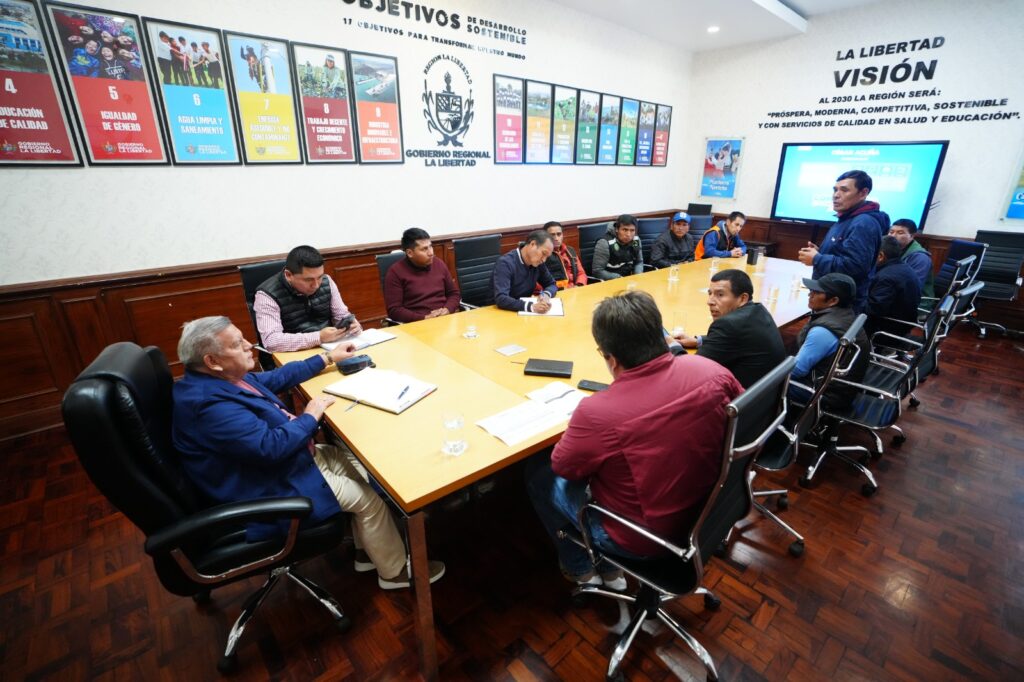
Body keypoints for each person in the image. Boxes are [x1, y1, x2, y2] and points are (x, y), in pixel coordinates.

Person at [171, 316, 444, 590]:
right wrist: (310, 415)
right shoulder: (208, 405)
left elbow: (276, 377)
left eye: (243, 338)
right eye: (237, 344)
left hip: (292, 459)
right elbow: (270, 448)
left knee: (361, 469)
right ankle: (394, 573)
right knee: (367, 501)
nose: (249, 345)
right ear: (212, 361)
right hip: (268, 484)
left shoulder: (219, 380)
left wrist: (328, 359)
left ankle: (368, 554)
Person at [525, 291, 744, 587]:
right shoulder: (711, 370)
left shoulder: (597, 412)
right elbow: (741, 420)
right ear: (660, 334)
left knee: (539, 474)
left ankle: (582, 569)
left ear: (611, 358)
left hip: (643, 541)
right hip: (710, 512)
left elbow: (564, 468)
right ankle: (599, 566)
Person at [671, 269, 787, 388]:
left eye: (720, 295)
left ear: (743, 299)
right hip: (764, 397)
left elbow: (691, 372)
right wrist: (699, 341)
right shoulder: (758, 310)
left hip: (740, 402)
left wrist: (672, 346)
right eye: (710, 293)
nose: (709, 302)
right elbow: (736, 340)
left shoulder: (727, 325)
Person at [798, 170, 890, 312]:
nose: (836, 195)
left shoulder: (863, 223)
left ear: (863, 193)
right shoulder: (847, 218)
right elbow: (843, 253)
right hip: (829, 298)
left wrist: (817, 259)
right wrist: (820, 252)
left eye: (844, 190)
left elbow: (855, 267)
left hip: (841, 304)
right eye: (835, 190)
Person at [254, 245, 363, 352]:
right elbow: (271, 341)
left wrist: (352, 325)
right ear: (288, 275)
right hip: (293, 355)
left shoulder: (327, 281)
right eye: (308, 280)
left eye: (320, 277)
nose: (316, 285)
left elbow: (341, 315)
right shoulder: (266, 295)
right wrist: (318, 337)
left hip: (329, 347)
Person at [790, 273, 870, 410]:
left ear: (833, 301)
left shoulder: (823, 331)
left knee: (759, 379)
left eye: (816, 292)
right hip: (842, 390)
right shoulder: (847, 315)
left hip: (824, 395)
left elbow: (797, 370)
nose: (810, 295)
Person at [384, 228, 461, 322]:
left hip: (444, 319)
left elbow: (454, 294)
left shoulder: (439, 264)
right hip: (417, 324)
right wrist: (424, 318)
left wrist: (447, 309)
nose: (431, 253)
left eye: (430, 246)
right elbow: (394, 310)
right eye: (424, 249)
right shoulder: (395, 272)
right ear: (410, 253)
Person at [865, 236, 922, 339]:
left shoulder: (886, 277)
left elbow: (873, 309)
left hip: (887, 330)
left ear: (880, 256)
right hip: (903, 325)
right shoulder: (904, 267)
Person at [491, 230, 558, 312]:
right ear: (532, 244)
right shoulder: (505, 263)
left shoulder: (538, 263)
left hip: (523, 313)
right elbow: (501, 298)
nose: (544, 260)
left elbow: (551, 284)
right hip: (501, 312)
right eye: (543, 253)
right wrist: (531, 307)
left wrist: (546, 295)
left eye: (547, 257)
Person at [888, 218, 935, 298]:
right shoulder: (892, 249)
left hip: (918, 303)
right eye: (891, 232)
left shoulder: (920, 258)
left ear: (912, 236)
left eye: (900, 233)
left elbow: (912, 289)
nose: (893, 236)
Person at [592, 214, 644, 280]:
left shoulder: (636, 240)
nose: (628, 234)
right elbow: (597, 271)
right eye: (625, 230)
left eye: (632, 230)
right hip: (611, 280)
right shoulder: (604, 243)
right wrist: (620, 279)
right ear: (617, 229)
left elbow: (639, 262)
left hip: (630, 279)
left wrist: (637, 276)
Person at [541, 221, 587, 289]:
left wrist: (578, 285)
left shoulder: (570, 251)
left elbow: (581, 273)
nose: (556, 238)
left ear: (562, 235)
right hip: (554, 291)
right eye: (552, 235)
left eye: (559, 234)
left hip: (575, 289)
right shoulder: (541, 254)